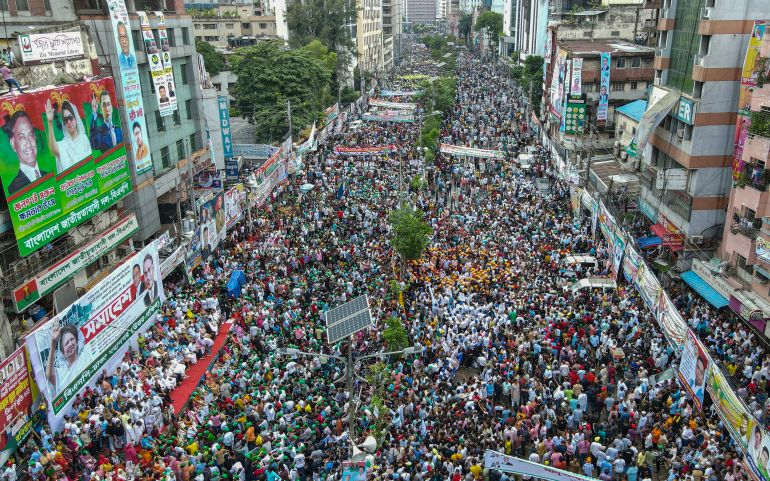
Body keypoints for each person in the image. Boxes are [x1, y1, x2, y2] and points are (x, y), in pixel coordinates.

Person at [3, 110, 47, 195]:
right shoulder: (13, 190)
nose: (29, 143)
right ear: (13, 144)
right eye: (22, 137)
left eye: (30, 135)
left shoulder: (48, 175)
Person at [45, 99, 91, 173]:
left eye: (70, 118)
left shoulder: (84, 138)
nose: (69, 122)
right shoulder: (63, 145)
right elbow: (53, 148)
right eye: (66, 120)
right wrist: (50, 122)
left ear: (75, 118)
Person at [45, 323, 82, 394]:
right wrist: (53, 344)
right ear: (63, 351)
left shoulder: (85, 357)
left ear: (76, 341)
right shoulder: (61, 372)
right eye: (66, 343)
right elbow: (49, 375)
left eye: (71, 339)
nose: (70, 344)